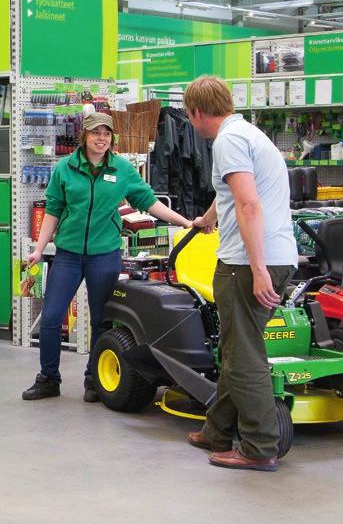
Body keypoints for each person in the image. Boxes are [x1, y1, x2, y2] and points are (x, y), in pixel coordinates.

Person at [22, 112, 192, 402]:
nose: (101, 138)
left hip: (104, 255)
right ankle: (49, 378)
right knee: (51, 318)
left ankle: (94, 379)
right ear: (84, 136)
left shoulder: (122, 170)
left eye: (106, 133)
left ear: (112, 138)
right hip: (68, 254)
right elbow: (52, 210)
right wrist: (39, 248)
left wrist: (187, 223)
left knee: (101, 320)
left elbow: (150, 203)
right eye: (95, 133)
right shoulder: (65, 168)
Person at [184, 76, 297, 472]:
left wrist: (258, 270)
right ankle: (216, 430)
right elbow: (235, 192)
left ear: (197, 113)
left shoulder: (227, 141)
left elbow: (249, 205)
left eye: (189, 115)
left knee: (244, 355)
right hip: (276, 255)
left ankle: (259, 446)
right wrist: (209, 217)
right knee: (236, 349)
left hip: (247, 262)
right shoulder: (248, 133)